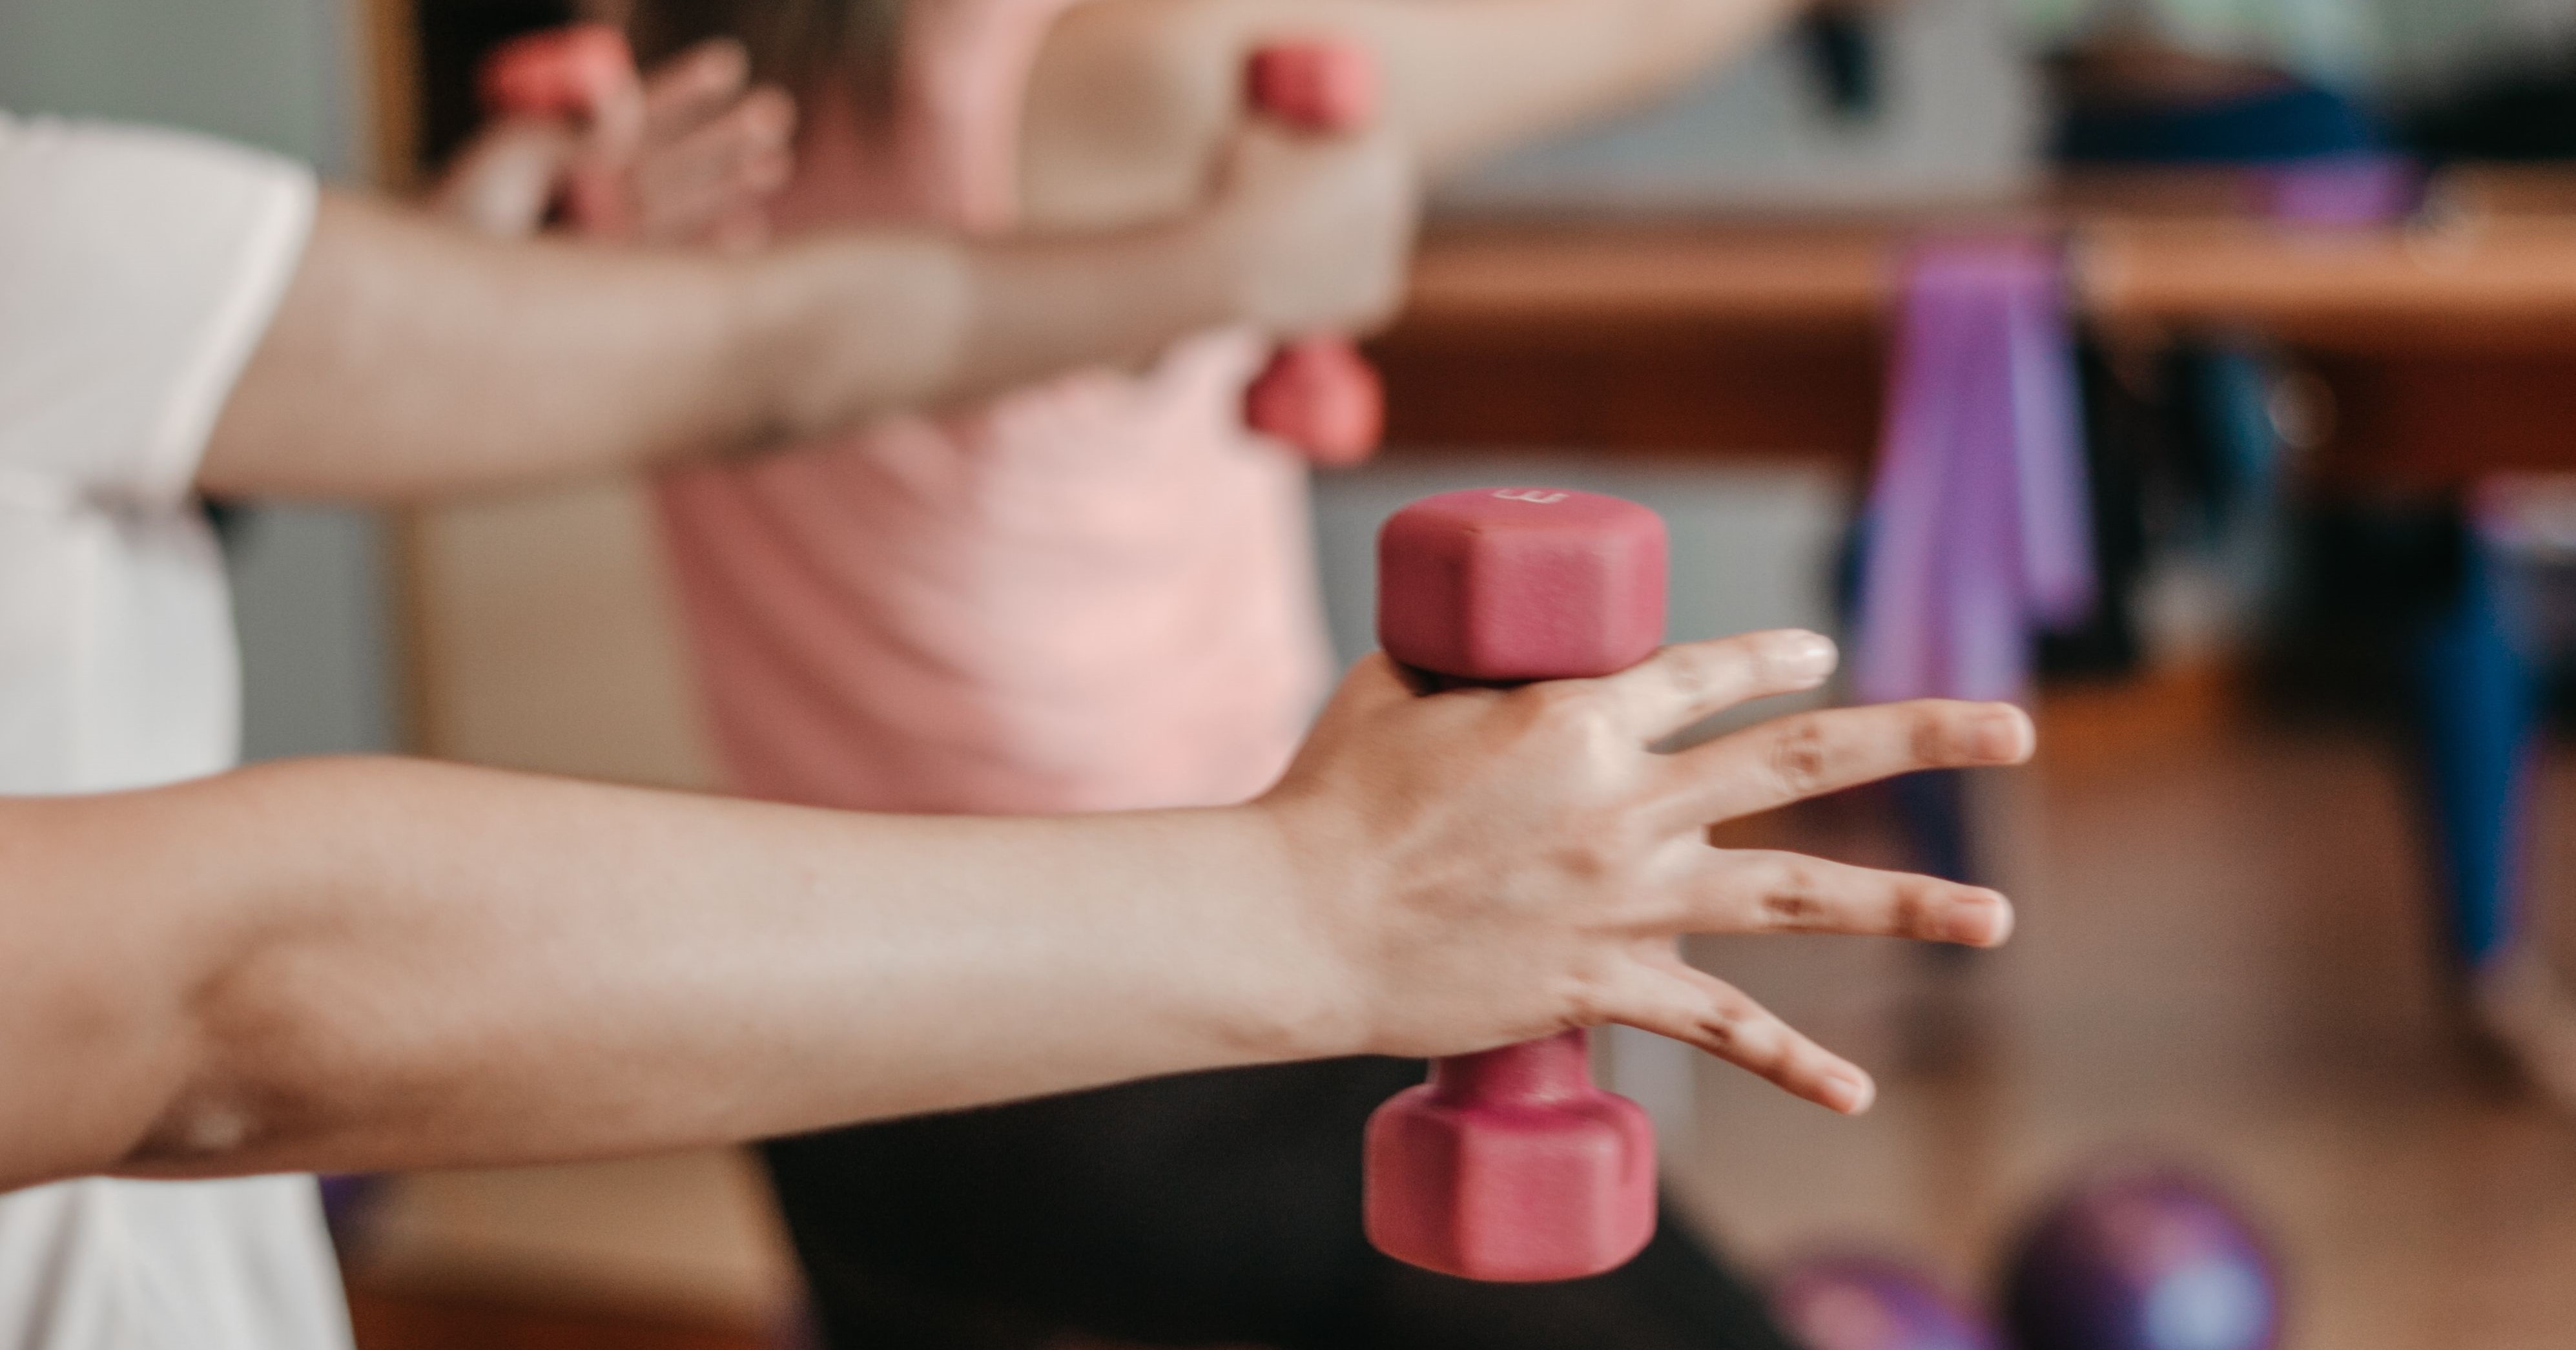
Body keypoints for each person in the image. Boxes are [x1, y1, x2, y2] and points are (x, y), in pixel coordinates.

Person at [0, 98, 2034, 1350]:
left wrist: (429, 298)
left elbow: (767, 344)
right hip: (1108, 1051)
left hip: (843, 1079)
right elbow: (198, 993)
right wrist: (1321, 901)